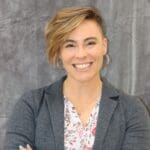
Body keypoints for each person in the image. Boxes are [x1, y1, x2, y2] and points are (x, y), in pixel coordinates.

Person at [4, 6, 150, 150]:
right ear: (59, 51)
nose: (81, 54)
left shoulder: (133, 111)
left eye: (90, 43)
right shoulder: (31, 106)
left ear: (104, 46)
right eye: (70, 45)